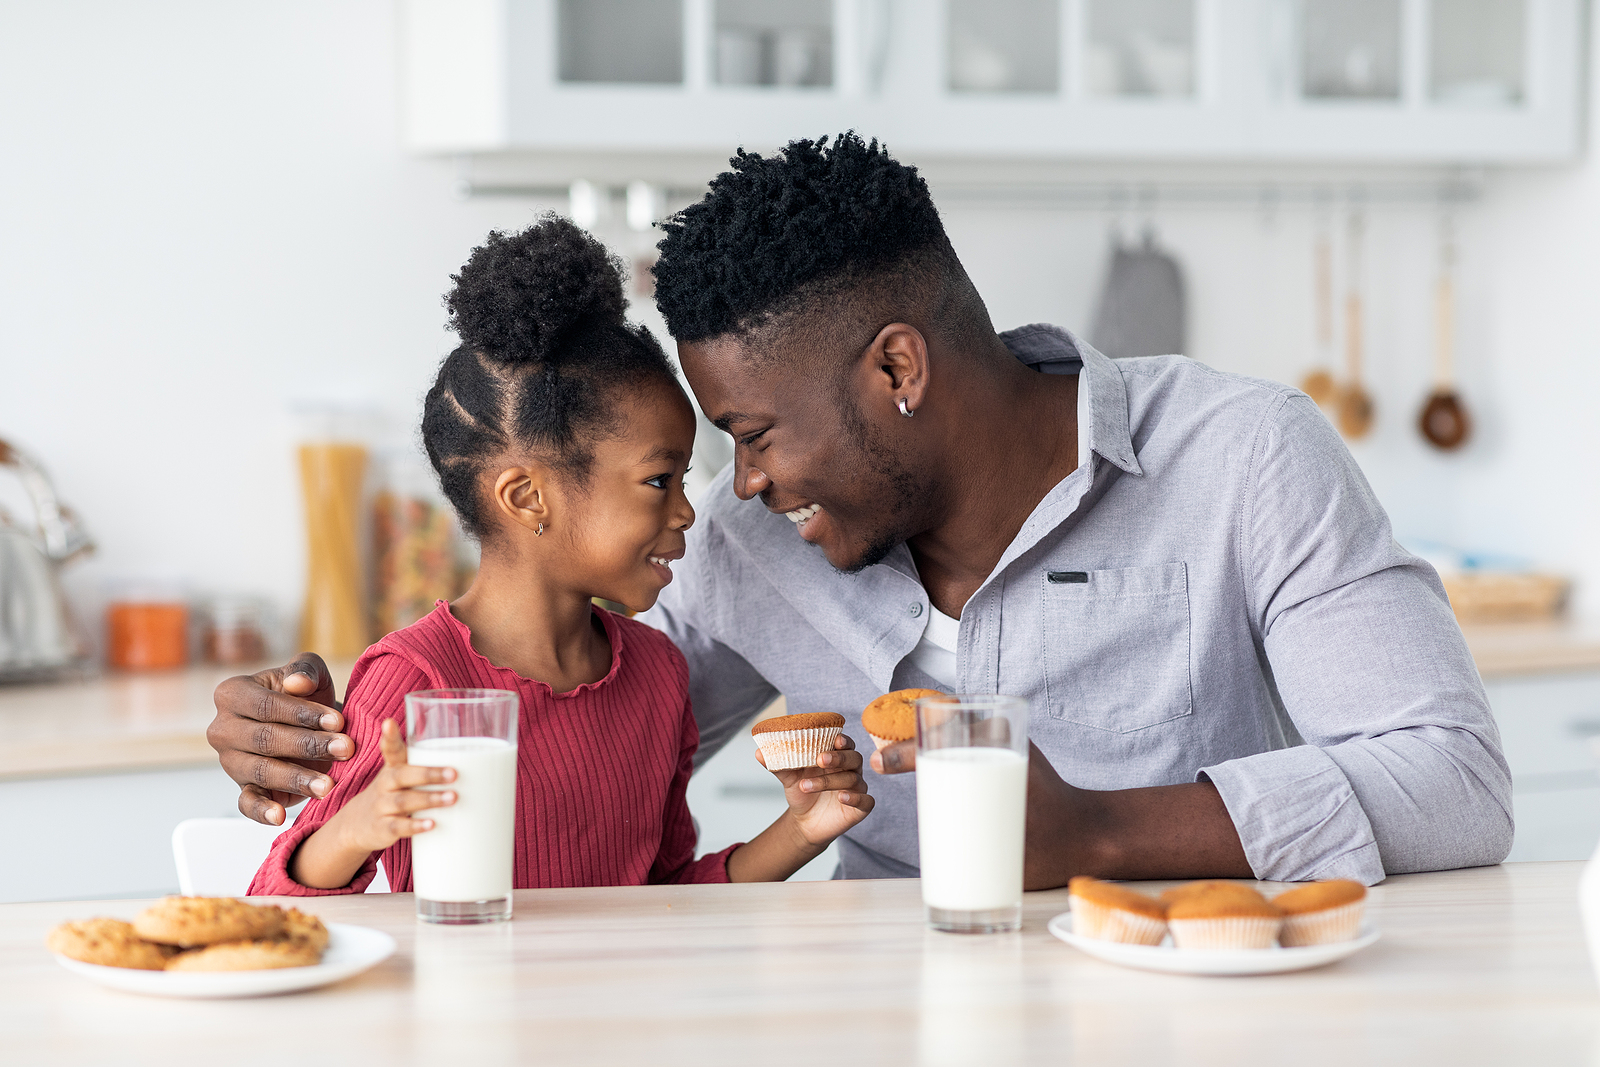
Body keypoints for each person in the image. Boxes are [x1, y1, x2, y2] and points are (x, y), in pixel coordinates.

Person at [214, 134, 1510, 888]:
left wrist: (1106, 827)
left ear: (897, 368)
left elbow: (1455, 784)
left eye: (758, 435)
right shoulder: (746, 544)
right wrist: (316, 738)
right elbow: (582, 715)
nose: (747, 484)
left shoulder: (1244, 457)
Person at [246, 217, 872, 896]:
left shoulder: (657, 675)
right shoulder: (415, 679)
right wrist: (357, 826)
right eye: (660, 480)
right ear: (527, 496)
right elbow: (277, 899)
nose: (688, 510)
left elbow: (662, 895)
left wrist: (803, 827)